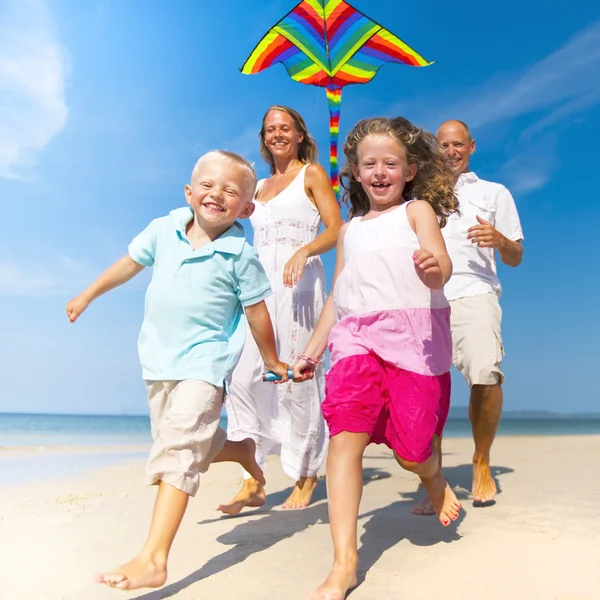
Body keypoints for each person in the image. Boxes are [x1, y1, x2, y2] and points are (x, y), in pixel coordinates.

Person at [65, 151, 289, 591]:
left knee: (180, 447)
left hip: (205, 363)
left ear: (246, 208)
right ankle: (241, 450)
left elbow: (258, 311)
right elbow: (129, 263)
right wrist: (88, 293)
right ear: (189, 192)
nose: (216, 194)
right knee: (182, 440)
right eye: (207, 185)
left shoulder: (239, 255)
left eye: (231, 190)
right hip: (158, 360)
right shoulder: (163, 229)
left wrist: (271, 359)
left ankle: (154, 558)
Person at [292, 117, 462, 600]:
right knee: (344, 436)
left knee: (412, 452)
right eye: (370, 164)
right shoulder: (348, 232)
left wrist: (433, 269)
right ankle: (344, 564)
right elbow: (337, 298)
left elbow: (441, 263)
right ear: (356, 172)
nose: (380, 171)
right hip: (355, 342)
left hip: (413, 339)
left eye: (391, 163)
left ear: (409, 171)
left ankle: (431, 475)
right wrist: (311, 351)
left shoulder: (417, 212)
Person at [219, 106, 343, 514]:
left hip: (301, 285)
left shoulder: (311, 174)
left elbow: (335, 227)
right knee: (241, 377)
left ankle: (307, 476)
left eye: (284, 128)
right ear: (263, 136)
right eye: (271, 129)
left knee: (298, 379)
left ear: (299, 133)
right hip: (258, 290)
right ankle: (252, 479)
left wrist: (304, 250)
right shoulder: (256, 187)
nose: (277, 134)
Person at [412, 120, 524, 515]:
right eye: (442, 145)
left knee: (485, 373)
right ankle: (436, 480)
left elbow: (515, 257)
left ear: (471, 147)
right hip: (424, 297)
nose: (450, 151)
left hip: (475, 291)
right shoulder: (419, 193)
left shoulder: (494, 192)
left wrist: (500, 240)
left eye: (457, 144)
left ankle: (480, 460)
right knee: (427, 390)